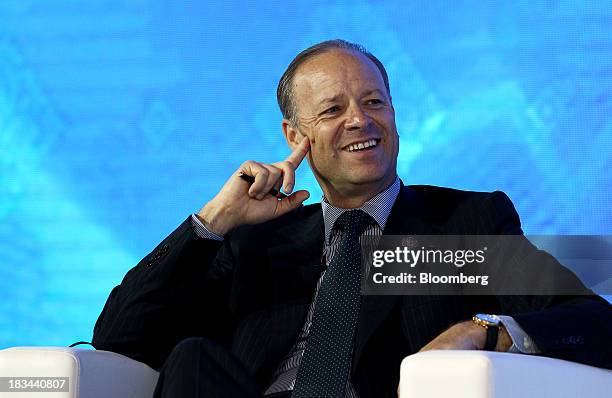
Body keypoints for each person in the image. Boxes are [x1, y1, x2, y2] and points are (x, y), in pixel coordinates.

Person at [92, 40, 612, 398]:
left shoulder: (463, 222)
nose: (360, 120)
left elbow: (594, 322)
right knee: (192, 357)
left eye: (373, 102)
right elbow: (120, 337)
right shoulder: (256, 242)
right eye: (332, 110)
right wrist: (213, 220)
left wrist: (483, 330)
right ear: (296, 137)